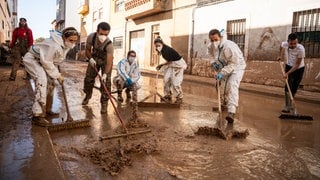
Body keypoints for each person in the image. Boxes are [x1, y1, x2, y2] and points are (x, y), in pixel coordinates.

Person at [23, 27, 79, 126]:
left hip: (43, 61)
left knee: (51, 83)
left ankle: (47, 110)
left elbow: (55, 60)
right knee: (42, 81)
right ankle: (38, 115)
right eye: (71, 40)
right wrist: (58, 75)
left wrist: (56, 74)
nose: (73, 43)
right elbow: (47, 62)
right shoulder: (54, 45)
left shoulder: (64, 45)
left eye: (75, 41)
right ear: (64, 37)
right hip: (33, 60)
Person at [207, 29, 246, 123]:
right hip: (223, 66)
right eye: (212, 40)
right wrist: (213, 63)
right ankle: (223, 103)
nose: (214, 42)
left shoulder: (228, 46)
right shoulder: (210, 46)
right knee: (222, 86)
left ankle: (231, 112)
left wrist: (222, 73)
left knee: (232, 85)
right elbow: (210, 54)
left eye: (216, 40)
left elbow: (233, 64)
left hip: (237, 67)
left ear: (220, 37)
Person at [82, 22, 114, 114]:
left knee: (106, 82)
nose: (103, 36)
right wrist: (90, 59)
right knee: (88, 79)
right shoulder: (91, 37)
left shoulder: (109, 45)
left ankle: (104, 103)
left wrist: (105, 74)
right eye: (101, 34)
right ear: (97, 31)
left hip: (105, 61)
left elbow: (109, 62)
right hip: (94, 58)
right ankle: (88, 95)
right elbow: (87, 50)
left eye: (106, 34)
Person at [154, 36, 187, 104]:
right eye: (156, 46)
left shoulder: (166, 50)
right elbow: (169, 61)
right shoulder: (162, 51)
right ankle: (167, 95)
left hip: (178, 65)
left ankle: (179, 97)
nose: (158, 47)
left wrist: (161, 65)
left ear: (162, 44)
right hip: (171, 64)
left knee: (175, 82)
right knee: (166, 80)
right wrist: (161, 65)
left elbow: (169, 61)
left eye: (159, 45)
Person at [277, 33, 305, 113]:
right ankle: (287, 106)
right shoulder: (285, 44)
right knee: (288, 85)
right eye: (291, 43)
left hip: (299, 68)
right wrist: (279, 55)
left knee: (294, 86)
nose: (293, 45)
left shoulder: (301, 49)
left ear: (297, 42)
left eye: (295, 43)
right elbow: (281, 46)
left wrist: (287, 73)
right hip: (289, 66)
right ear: (288, 42)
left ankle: (291, 103)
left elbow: (297, 64)